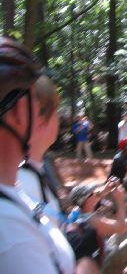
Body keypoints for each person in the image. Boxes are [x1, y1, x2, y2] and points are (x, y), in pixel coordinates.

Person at [0, 37, 76, 274]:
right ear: (19, 113)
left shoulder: (14, 194)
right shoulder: (12, 233)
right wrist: (86, 261)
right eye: (34, 99)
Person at [67, 179, 127, 274]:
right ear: (88, 200)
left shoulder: (77, 211)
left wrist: (107, 188)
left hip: (101, 253)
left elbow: (95, 197)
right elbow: (121, 227)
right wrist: (120, 200)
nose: (96, 194)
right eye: (93, 193)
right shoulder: (92, 221)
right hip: (100, 268)